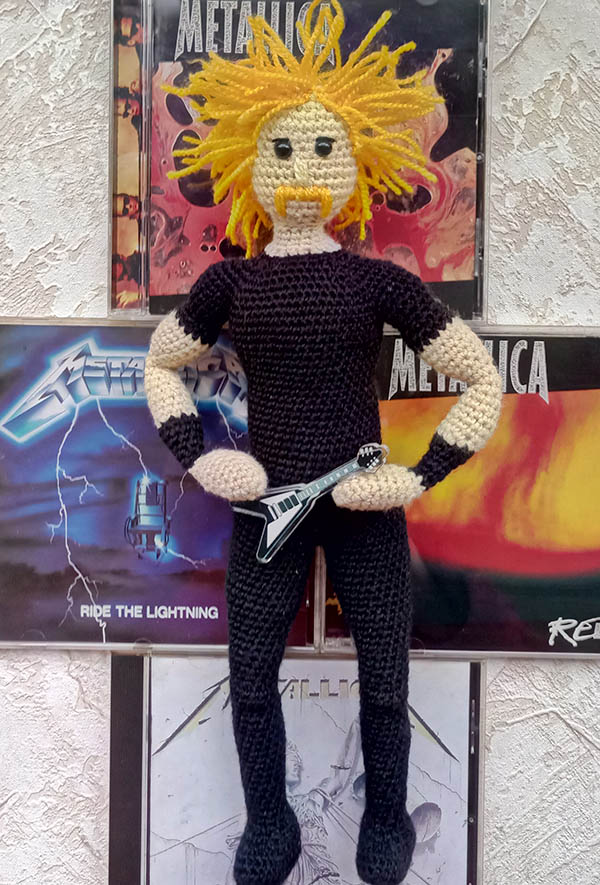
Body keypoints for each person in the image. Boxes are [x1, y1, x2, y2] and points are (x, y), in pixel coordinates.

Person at [144, 3, 502, 883]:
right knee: (250, 673)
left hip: (363, 500)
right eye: (283, 151)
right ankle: (269, 819)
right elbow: (161, 366)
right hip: (265, 503)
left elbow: (481, 379)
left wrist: (417, 475)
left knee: (386, 672)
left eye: (321, 150)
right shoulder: (230, 283)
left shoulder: (379, 283)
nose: (303, 172)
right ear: (250, 162)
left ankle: (386, 815)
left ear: (355, 162)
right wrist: (202, 454)